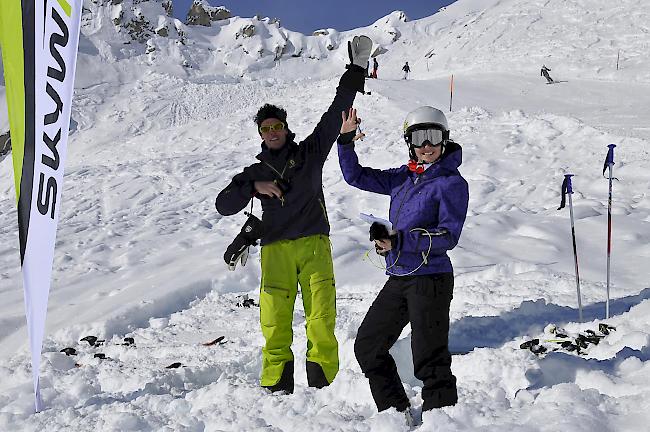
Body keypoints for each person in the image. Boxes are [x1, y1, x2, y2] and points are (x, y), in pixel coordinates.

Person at [215, 36, 372, 394]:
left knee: (320, 318)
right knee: (274, 323)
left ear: (286, 128)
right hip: (275, 251)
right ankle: (276, 387)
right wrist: (254, 188)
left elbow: (336, 113)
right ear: (260, 134)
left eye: (277, 126)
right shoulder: (253, 172)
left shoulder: (309, 153)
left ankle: (324, 386)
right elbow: (223, 205)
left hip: (314, 245)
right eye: (265, 129)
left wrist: (357, 68)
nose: (272, 132)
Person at [337, 106, 469, 419]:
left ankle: (442, 421)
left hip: (431, 279)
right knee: (368, 345)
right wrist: (345, 142)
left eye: (433, 136)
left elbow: (447, 237)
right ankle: (395, 413)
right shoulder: (404, 177)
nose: (427, 144)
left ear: (444, 140)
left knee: (429, 357)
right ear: (409, 142)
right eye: (419, 137)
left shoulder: (451, 183)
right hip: (400, 276)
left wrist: (401, 240)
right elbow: (356, 176)